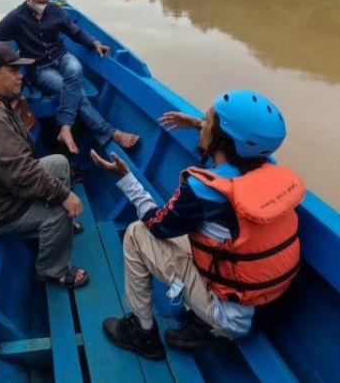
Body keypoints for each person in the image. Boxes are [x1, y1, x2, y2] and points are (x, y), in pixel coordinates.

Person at [90, 90, 305, 358]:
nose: (201, 122)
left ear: (224, 140)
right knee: (203, 238)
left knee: (136, 234)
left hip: (231, 317)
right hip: (269, 308)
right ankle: (202, 317)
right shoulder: (266, 172)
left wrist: (126, 178)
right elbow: (233, 150)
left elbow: (158, 224)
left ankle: (142, 334)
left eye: (206, 119)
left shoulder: (202, 190)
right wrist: (198, 125)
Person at [0, 41, 89, 288]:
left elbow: (19, 168)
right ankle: (53, 271)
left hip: (3, 190)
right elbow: (19, 174)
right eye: (13, 71)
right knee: (61, 208)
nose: (20, 76)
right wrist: (64, 195)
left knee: (59, 163)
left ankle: (58, 230)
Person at [0, 0, 139, 155]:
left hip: (61, 56)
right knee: (74, 91)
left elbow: (75, 32)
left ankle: (65, 125)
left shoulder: (56, 11)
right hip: (39, 68)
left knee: (75, 69)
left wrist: (95, 43)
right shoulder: (16, 18)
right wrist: (8, 57)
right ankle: (110, 133)